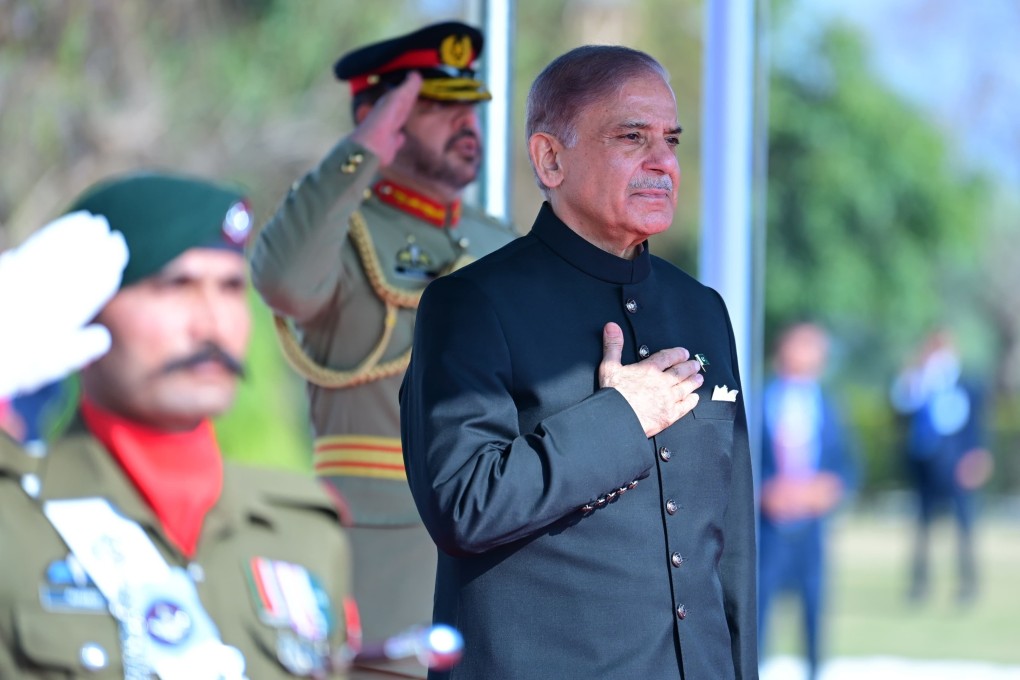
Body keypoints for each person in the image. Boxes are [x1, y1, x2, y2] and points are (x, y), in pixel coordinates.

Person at [400, 45, 757, 679]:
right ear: (550, 158)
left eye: (671, 140)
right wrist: (620, 418)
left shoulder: (700, 308)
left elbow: (729, 546)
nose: (663, 162)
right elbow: (464, 506)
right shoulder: (472, 305)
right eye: (632, 137)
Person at [0, 173, 355, 678]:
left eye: (231, 287)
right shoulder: (13, 513)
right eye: (175, 286)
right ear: (84, 309)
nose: (211, 324)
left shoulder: (303, 529)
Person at [248, 20, 516, 678]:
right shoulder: (341, 233)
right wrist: (359, 152)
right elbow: (280, 280)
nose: (466, 126)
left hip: (502, 539)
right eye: (437, 108)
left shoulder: (500, 245)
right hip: (379, 547)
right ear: (377, 118)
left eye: (470, 109)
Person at [757, 322, 857, 680]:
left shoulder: (830, 406)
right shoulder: (758, 399)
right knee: (758, 606)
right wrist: (763, 491)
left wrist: (829, 489)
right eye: (804, 344)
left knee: (814, 609)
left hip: (812, 528)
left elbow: (847, 464)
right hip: (765, 528)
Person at [890, 327, 992, 604]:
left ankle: (967, 584)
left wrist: (978, 457)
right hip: (924, 464)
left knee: (964, 526)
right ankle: (919, 585)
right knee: (922, 527)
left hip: (958, 465)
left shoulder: (966, 384)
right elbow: (902, 411)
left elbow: (977, 425)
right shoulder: (918, 383)